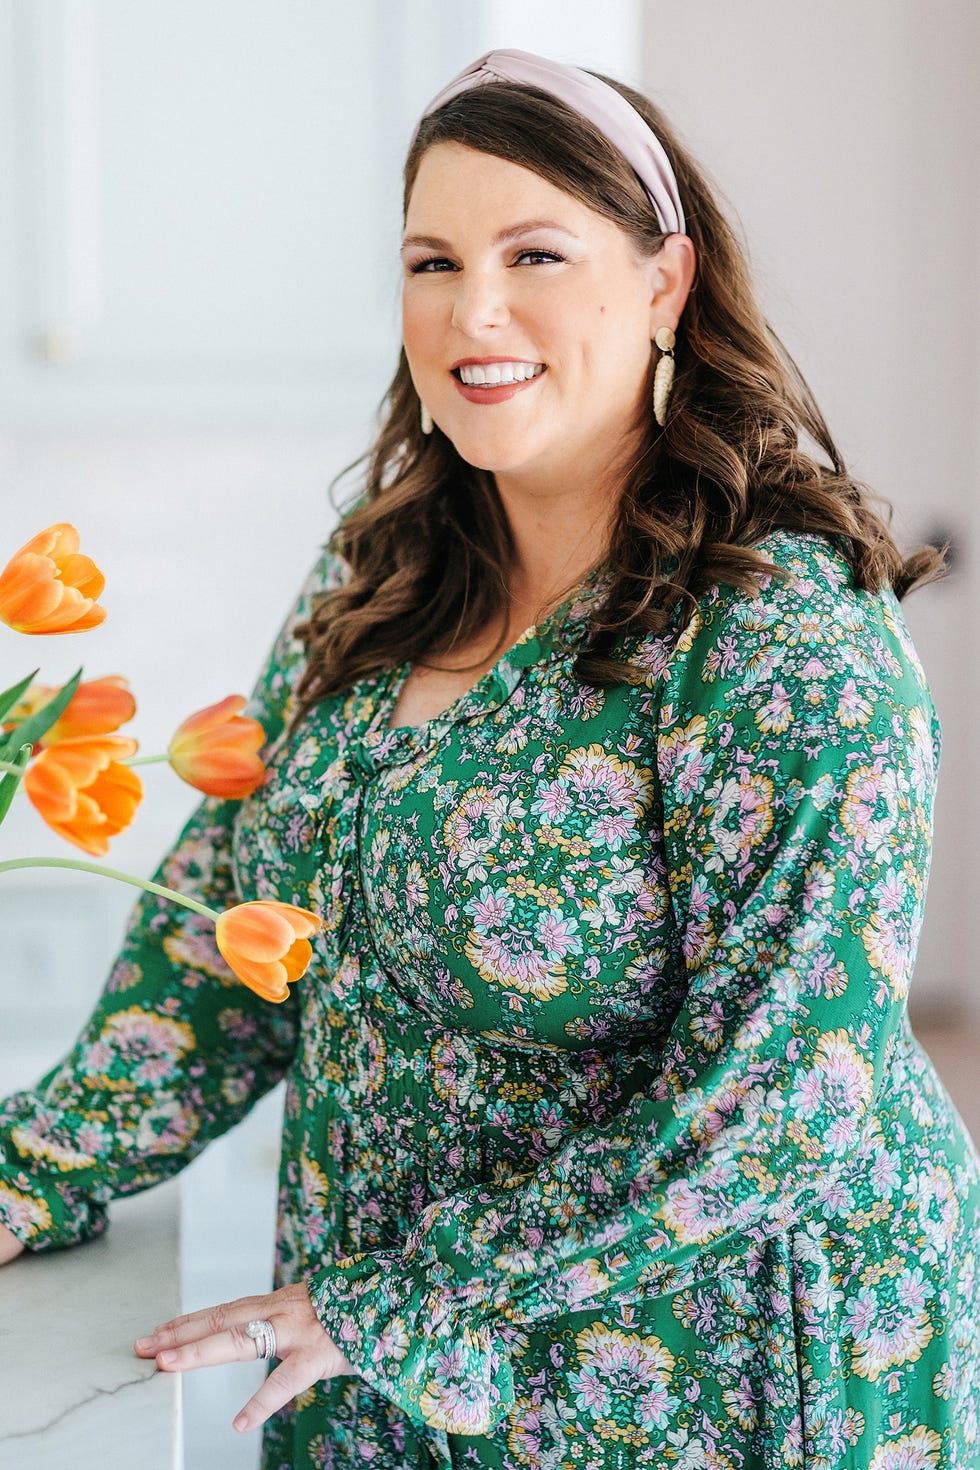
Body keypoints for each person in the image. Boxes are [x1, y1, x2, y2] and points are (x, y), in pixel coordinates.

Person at [1, 45, 978, 1470]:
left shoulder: (779, 636)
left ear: (665, 284)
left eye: (535, 252)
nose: (474, 310)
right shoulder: (387, 578)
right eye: (431, 259)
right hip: (382, 1362)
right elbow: (230, 936)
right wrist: (31, 1167)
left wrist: (408, 1300)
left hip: (708, 1385)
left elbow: (795, 1096)